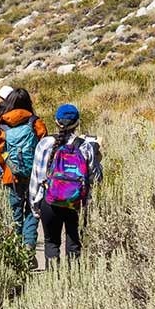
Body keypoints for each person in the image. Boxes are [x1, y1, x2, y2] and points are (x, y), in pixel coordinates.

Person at [29, 103, 102, 267]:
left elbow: (36, 178)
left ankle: (53, 282)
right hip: (76, 203)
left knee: (51, 243)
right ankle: (72, 283)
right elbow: (96, 178)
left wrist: (35, 206)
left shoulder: (45, 144)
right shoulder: (85, 146)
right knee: (74, 244)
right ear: (77, 123)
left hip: (49, 201)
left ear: (56, 121)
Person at [0, 88, 47, 260]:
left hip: (12, 176)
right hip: (34, 176)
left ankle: (16, 253)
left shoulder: (3, 123)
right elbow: (44, 146)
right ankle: (28, 249)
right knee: (32, 210)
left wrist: (7, 168)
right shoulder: (35, 122)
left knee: (15, 211)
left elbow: (0, 153)